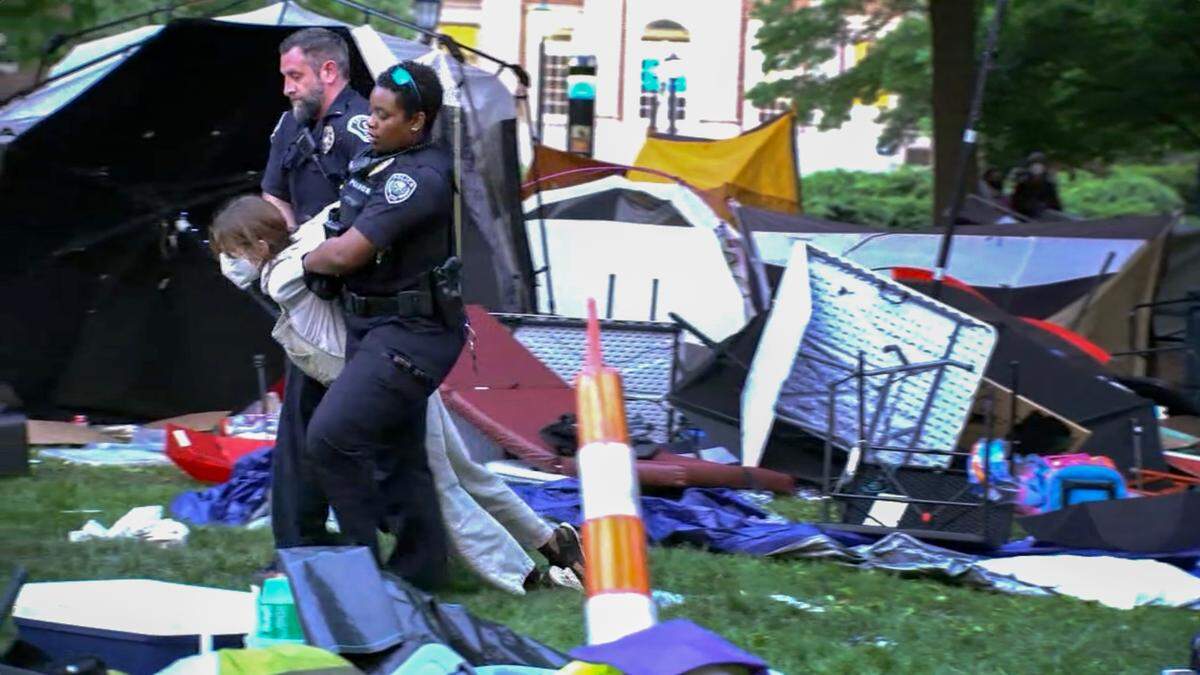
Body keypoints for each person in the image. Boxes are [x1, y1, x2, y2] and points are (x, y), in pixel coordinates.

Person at [210, 195, 585, 592]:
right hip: (403, 375)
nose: (228, 264)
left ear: (261, 247)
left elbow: (308, 251)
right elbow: (327, 215)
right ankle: (550, 540)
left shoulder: (281, 277)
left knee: (438, 489)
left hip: (386, 390)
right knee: (466, 474)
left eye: (233, 253)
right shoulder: (305, 239)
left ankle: (521, 578)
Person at [298, 60, 497, 588]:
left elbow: (345, 254)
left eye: (386, 116)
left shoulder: (417, 178)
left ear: (418, 121)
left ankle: (360, 570)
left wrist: (301, 261)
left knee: (331, 437)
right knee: (397, 458)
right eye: (372, 112)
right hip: (375, 327)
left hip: (413, 333)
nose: (373, 123)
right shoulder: (379, 159)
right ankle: (421, 575)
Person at [259, 27, 371, 552]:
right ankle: (300, 539)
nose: (285, 86)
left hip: (362, 297)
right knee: (302, 420)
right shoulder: (290, 124)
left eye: (294, 75)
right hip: (310, 297)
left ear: (328, 71)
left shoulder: (368, 127)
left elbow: (376, 214)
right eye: (284, 76)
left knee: (355, 427)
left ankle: (365, 542)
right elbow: (274, 197)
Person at [1010, 151, 1063, 219]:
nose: (1037, 166)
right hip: (1025, 218)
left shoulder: (1048, 184)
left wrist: (1046, 205)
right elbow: (1016, 203)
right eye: (1034, 162)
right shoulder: (1023, 183)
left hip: (1045, 218)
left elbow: (1055, 203)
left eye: (1040, 162)